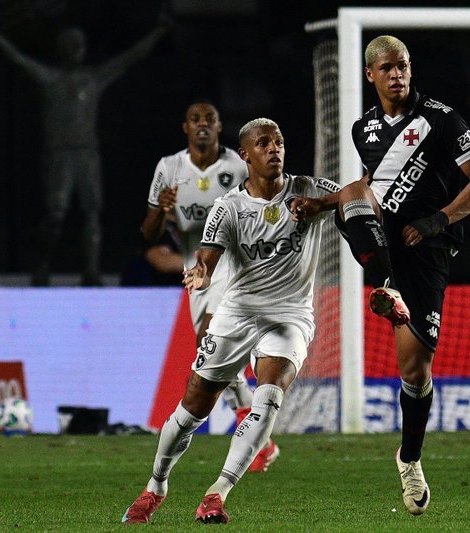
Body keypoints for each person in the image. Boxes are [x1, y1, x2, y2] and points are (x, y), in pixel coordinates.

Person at [291, 35, 470, 515]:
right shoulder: (363, 129)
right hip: (383, 243)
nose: (397, 74)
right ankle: (385, 287)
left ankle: (409, 459)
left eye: (403, 65)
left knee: (414, 370)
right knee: (352, 201)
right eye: (387, 68)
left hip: (427, 248)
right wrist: (324, 203)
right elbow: (368, 185)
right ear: (371, 75)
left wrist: (439, 220)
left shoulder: (442, 120)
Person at [122, 118, 341, 524]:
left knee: (269, 395)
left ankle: (216, 494)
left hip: (291, 314)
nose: (274, 149)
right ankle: (156, 486)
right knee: (192, 408)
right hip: (238, 312)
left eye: (278, 141)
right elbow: (206, 258)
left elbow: (359, 194)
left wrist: (322, 206)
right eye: (263, 144)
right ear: (246, 156)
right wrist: (200, 274)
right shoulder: (229, 208)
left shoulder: (310, 189)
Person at [141, 100, 278, 473]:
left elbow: (265, 203)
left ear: (220, 128)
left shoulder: (237, 165)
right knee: (211, 349)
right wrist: (160, 209)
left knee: (212, 338)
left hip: (235, 265)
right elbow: (148, 234)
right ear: (185, 127)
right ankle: (253, 428)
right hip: (196, 271)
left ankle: (252, 424)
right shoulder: (168, 169)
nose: (203, 125)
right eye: (196, 120)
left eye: (210, 120)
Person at [0, 13, 169, 286]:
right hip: (59, 154)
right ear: (61, 49)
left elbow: (132, 56)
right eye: (69, 44)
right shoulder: (51, 78)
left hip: (86, 154)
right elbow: (19, 59)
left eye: (78, 44)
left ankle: (91, 270)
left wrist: (159, 31)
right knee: (55, 214)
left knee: (92, 210)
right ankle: (42, 265)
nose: (75, 49)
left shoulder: (93, 78)